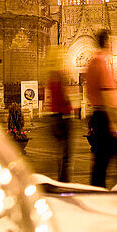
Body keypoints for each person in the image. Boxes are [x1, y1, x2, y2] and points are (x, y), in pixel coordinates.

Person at [87, 30, 117, 187]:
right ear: (106, 43)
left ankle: (98, 191)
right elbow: (107, 93)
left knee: (101, 163)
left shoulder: (92, 63)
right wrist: (116, 124)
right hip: (107, 117)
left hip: (97, 116)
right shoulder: (102, 63)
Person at [44, 45, 73, 182]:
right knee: (66, 153)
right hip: (63, 117)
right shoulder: (60, 75)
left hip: (54, 117)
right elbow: (63, 97)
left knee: (59, 152)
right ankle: (63, 180)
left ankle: (59, 178)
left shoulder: (51, 76)